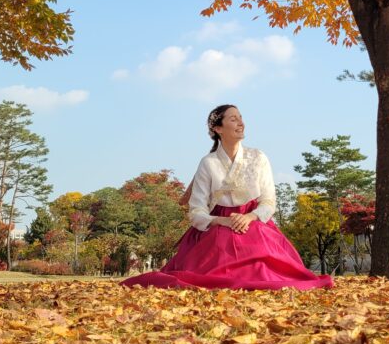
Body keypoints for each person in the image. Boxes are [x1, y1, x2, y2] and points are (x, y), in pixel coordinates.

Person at [121, 104, 334, 290]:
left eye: (241, 118)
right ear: (217, 128)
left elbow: (269, 201)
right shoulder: (208, 163)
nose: (241, 123)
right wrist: (222, 220)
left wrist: (249, 217)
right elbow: (196, 211)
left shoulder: (258, 157)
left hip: (254, 221)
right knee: (219, 245)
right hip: (218, 224)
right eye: (233, 119)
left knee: (260, 247)